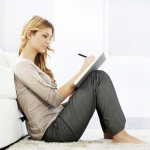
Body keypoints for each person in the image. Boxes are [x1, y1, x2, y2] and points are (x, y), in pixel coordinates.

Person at [11, 15, 147, 144]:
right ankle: (119, 135)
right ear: (30, 34)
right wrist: (82, 71)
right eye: (44, 36)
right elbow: (53, 98)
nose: (48, 41)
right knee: (97, 78)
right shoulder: (22, 65)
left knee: (98, 77)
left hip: (56, 123)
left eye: (50, 37)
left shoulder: (31, 66)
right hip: (53, 131)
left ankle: (112, 132)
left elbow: (48, 106)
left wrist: (70, 102)